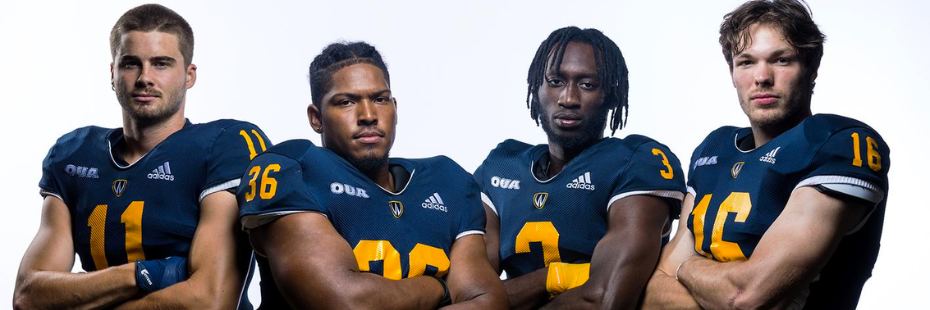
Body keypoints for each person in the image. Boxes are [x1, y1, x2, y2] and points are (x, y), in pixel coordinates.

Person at [13, 4, 266, 309]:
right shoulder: (74, 153)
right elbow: (28, 296)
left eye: (161, 64)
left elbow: (209, 300)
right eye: (131, 63)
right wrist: (145, 274)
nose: (145, 77)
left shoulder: (225, 145)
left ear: (189, 75)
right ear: (113, 73)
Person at [642, 1, 890, 309]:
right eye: (746, 62)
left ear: (812, 67)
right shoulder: (714, 150)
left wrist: (685, 268)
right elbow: (653, 289)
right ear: (731, 72)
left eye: (781, 60)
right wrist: (717, 291)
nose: (762, 77)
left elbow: (749, 298)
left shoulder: (838, 143)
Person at [238, 41, 507, 309]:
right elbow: (347, 302)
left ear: (395, 108)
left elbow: (488, 301)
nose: (368, 115)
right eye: (346, 102)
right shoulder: (294, 168)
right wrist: (440, 286)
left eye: (380, 99)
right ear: (316, 117)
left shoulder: (448, 180)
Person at [473, 26, 686, 309]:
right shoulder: (501, 166)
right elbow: (470, 294)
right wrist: (552, 278)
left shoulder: (636, 161)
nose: (568, 98)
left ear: (612, 95)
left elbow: (604, 300)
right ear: (536, 88)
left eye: (587, 84)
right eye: (555, 81)